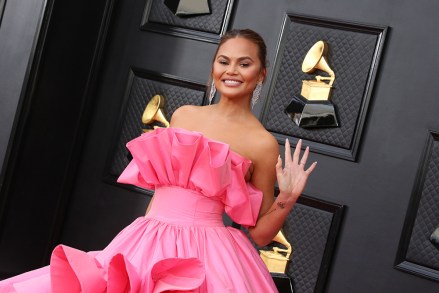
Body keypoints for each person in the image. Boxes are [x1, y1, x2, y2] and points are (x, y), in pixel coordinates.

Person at [0, 29, 316, 293]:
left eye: (244, 63)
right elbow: (160, 191)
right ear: (213, 68)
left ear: (261, 74)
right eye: (224, 61)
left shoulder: (261, 143)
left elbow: (260, 235)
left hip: (207, 254)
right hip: (148, 236)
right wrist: (141, 234)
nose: (231, 70)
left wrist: (288, 197)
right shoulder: (183, 116)